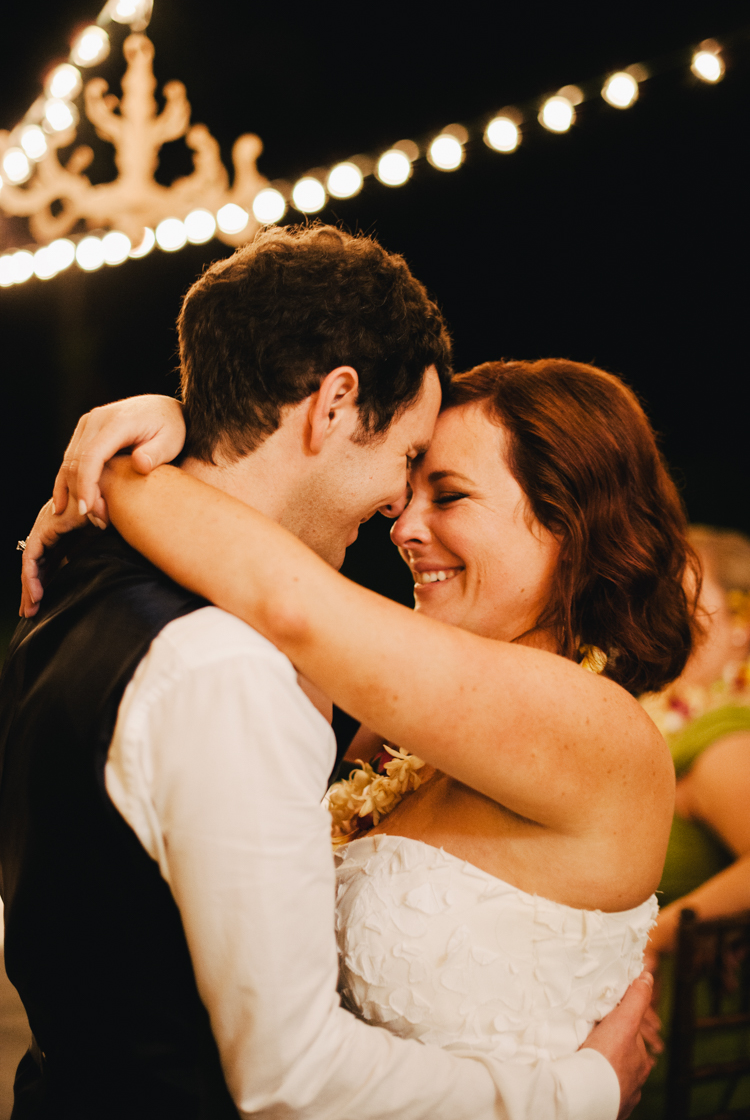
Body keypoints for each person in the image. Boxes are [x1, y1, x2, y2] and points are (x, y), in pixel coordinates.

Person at [0, 226, 655, 1120]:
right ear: (336, 402)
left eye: (446, 492)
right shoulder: (298, 696)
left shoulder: (590, 726)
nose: (401, 514)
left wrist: (128, 468)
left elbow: (293, 597)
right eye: (409, 468)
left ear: (570, 526)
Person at [635, 526, 750, 1118]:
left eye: (683, 599)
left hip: (677, 1039)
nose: (662, 616)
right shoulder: (658, 723)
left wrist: (660, 935)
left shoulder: (723, 734)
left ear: (742, 626)